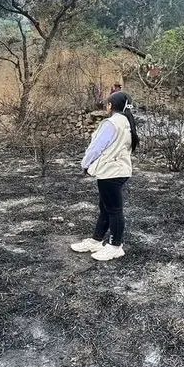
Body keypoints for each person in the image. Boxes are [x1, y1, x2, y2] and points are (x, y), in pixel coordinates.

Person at [70, 91, 140, 261]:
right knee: (106, 207)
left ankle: (115, 246)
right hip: (120, 170)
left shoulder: (111, 123)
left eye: (107, 104)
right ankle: (96, 240)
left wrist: (85, 164)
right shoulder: (127, 122)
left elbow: (97, 147)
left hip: (110, 172)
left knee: (114, 210)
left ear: (110, 105)